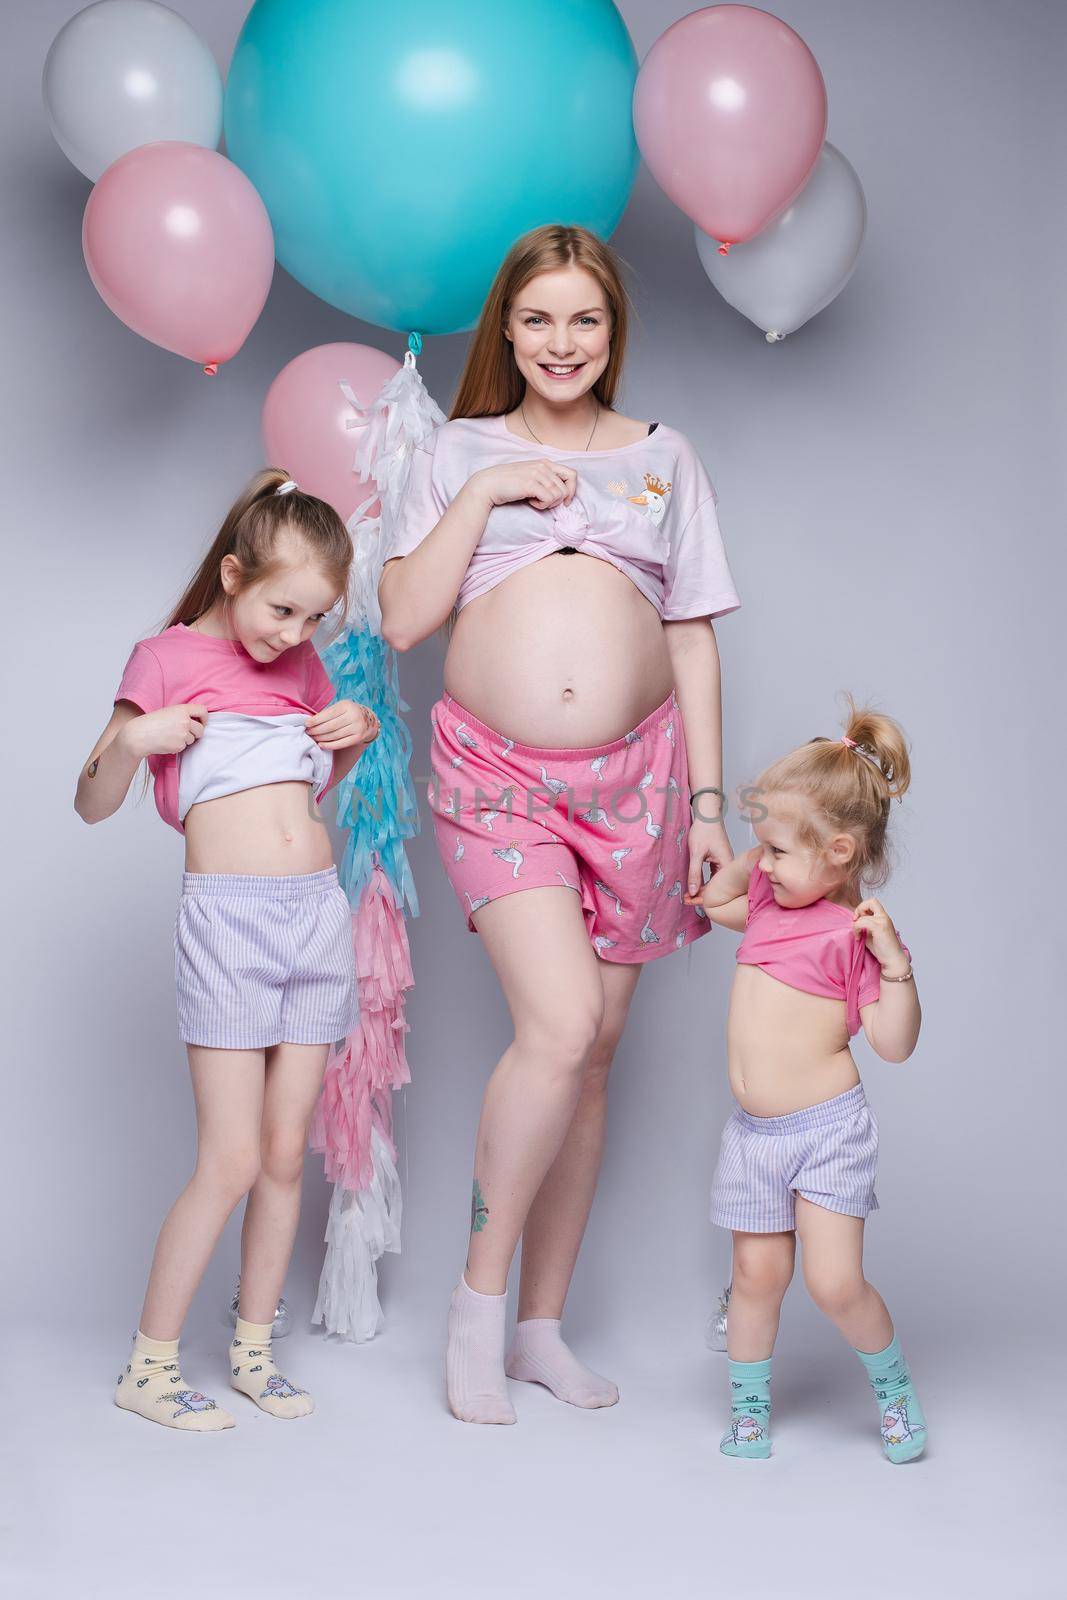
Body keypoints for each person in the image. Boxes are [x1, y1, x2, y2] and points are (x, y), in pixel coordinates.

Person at [379, 224, 741, 1424]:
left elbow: (689, 630)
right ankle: (473, 1314)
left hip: (642, 785)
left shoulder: (662, 458)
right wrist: (480, 488)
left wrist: (703, 804)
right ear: (506, 330)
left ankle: (541, 1325)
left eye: (583, 318)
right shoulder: (457, 450)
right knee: (560, 1020)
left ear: (612, 331)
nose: (560, 341)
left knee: (591, 1060)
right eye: (537, 318)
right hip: (498, 777)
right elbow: (399, 620)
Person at [76, 471, 380, 1431]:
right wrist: (137, 742)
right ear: (233, 571)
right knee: (232, 1157)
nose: (294, 635)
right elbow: (89, 799)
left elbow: (304, 794)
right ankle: (151, 1368)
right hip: (230, 919)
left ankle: (254, 1351)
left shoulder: (302, 668)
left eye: (315, 620)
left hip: (315, 913)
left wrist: (355, 736)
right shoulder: (163, 658)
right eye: (282, 608)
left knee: (289, 1154)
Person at [687, 701, 926, 1462]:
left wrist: (895, 966)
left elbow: (892, 1044)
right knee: (756, 1275)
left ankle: (892, 1393)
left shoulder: (851, 934)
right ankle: (750, 1413)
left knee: (831, 1283)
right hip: (753, 1135)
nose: (764, 864)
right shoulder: (764, 897)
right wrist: (758, 855)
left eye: (779, 851)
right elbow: (711, 900)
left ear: (839, 851)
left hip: (825, 1133)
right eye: (763, 849)